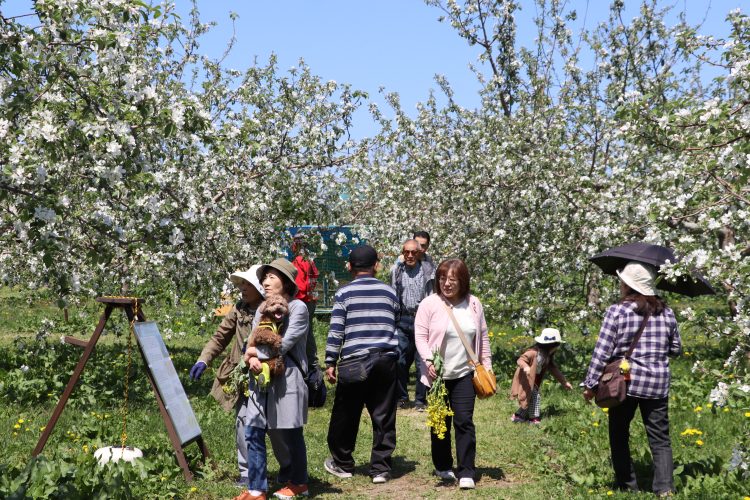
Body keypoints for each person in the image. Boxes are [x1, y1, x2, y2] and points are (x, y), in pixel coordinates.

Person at [583, 261, 682, 496]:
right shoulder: (667, 312)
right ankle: (665, 488)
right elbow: (676, 348)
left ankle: (628, 487)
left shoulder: (617, 311)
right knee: (660, 438)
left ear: (627, 285)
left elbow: (602, 351)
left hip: (624, 383)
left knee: (619, 434)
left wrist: (591, 384)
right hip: (657, 384)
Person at [323, 245, 399, 484]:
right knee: (384, 414)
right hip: (386, 359)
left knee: (346, 413)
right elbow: (395, 320)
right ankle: (380, 469)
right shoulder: (389, 292)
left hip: (354, 361)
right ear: (376, 265)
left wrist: (330, 361)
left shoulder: (344, 294)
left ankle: (343, 463)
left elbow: (336, 331)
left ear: (349, 267)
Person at [414, 258, 492, 490]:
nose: (446, 283)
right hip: (436, 376)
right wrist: (428, 360)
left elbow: (483, 337)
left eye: (452, 279)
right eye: (442, 278)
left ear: (463, 281)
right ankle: (442, 464)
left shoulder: (474, 304)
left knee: (464, 421)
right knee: (440, 422)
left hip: (464, 373)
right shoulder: (429, 304)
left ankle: (466, 470)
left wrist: (486, 365)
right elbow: (420, 336)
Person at [235, 259, 309, 500]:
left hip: (287, 377)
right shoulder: (260, 309)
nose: (265, 282)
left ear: (286, 283)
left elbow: (285, 343)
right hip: (260, 377)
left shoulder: (298, 308)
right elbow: (253, 339)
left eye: (271, 277)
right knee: (253, 430)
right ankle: (257, 489)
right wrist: (250, 357)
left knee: (290, 433)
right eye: (264, 277)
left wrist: (254, 353)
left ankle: (299, 483)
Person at [189, 265, 265, 487]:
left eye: (247, 284)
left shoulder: (272, 309)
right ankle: (247, 471)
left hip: (267, 375)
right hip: (241, 375)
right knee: (243, 420)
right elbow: (220, 336)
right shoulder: (239, 309)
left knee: (277, 428)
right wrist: (204, 359)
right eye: (241, 284)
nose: (242, 288)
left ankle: (290, 471)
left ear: (259, 287)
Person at [391, 238, 435, 410]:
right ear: (402, 253)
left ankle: (420, 400)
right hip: (403, 320)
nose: (409, 255)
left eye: (413, 252)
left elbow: (432, 296)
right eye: (406, 252)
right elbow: (394, 295)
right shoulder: (397, 270)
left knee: (421, 362)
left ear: (419, 253)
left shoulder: (428, 271)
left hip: (422, 320)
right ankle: (402, 397)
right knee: (399, 361)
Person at [509, 328, 573, 424]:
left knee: (529, 398)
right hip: (526, 379)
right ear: (552, 346)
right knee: (535, 397)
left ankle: (518, 416)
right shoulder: (533, 353)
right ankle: (534, 418)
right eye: (557, 346)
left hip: (535, 380)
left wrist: (564, 382)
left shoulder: (547, 356)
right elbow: (520, 360)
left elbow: (553, 369)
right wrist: (526, 367)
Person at [291, 233, 320, 372]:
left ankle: (310, 362)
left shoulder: (299, 261)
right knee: (308, 332)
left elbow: (300, 286)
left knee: (304, 332)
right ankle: (311, 361)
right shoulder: (309, 260)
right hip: (310, 300)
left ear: (296, 245)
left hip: (302, 300)